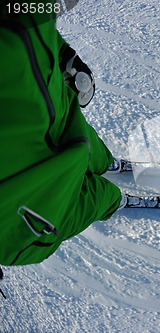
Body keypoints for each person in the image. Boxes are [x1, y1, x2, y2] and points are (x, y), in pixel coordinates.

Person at [0, 4, 124, 266]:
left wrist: (59, 52)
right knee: (83, 167)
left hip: (54, 118)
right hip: (23, 199)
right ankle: (109, 182)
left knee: (80, 144)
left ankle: (105, 169)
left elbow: (20, 18)